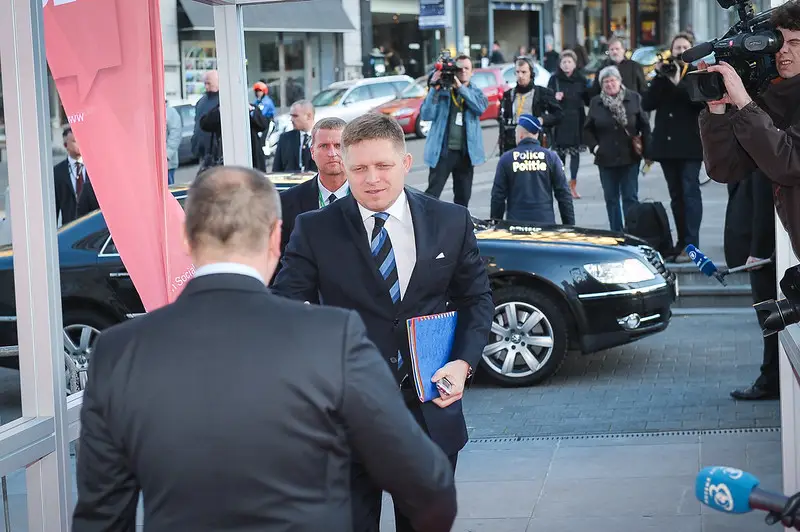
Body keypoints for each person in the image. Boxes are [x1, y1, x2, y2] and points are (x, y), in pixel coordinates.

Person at [72, 166, 458, 532]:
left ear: (187, 240)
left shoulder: (117, 352)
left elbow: (102, 515)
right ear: (276, 237)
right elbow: (428, 485)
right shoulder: (331, 337)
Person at [272, 113, 493, 532]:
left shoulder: (451, 221)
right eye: (359, 168)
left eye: (382, 166)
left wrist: (463, 364)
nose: (371, 178)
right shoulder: (314, 228)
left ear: (406, 163)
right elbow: (286, 303)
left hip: (430, 409)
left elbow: (476, 299)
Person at [699, 0, 800, 258]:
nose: (782, 51)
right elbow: (726, 168)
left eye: (794, 43)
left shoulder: (763, 103)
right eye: (778, 42)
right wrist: (717, 110)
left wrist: (745, 104)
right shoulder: (774, 97)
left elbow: (789, 164)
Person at [641, 33, 705, 262]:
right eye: (677, 47)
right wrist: (660, 77)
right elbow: (647, 103)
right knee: (676, 196)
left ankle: (692, 244)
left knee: (690, 192)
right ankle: (681, 242)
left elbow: (700, 102)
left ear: (692, 50)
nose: (680, 51)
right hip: (667, 147)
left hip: (690, 145)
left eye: (685, 47)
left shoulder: (698, 72)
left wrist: (678, 83)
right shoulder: (663, 73)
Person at [724, 170, 779, 401]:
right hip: (758, 254)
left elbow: (765, 204)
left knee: (771, 318)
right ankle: (772, 377)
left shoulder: (756, 144)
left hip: (763, 258)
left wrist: (759, 251)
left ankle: (771, 380)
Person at [584, 65, 650, 232]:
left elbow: (644, 125)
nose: (609, 84)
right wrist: (595, 148)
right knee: (611, 199)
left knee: (630, 197)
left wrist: (647, 150)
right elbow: (587, 129)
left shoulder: (633, 98)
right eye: (605, 82)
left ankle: (631, 232)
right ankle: (616, 233)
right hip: (605, 158)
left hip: (629, 157)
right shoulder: (596, 102)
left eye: (612, 80)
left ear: (620, 81)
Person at [420, 54, 488, 207]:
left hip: (466, 154)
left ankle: (459, 229)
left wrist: (461, 88)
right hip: (443, 153)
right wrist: (433, 88)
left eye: (467, 68)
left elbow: (480, 108)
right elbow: (426, 114)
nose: (463, 71)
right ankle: (426, 226)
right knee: (432, 195)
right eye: (459, 68)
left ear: (472, 72)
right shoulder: (442, 90)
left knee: (463, 198)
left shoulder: (475, 92)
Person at [277, 117, 347, 263]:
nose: (332, 153)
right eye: (324, 146)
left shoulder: (369, 198)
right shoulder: (287, 202)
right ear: (312, 152)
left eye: (338, 145)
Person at [490, 114, 575, 225]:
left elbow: (498, 196)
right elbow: (564, 194)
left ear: (520, 135)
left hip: (516, 224)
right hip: (545, 223)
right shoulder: (551, 157)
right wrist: (569, 225)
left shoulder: (507, 159)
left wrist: (496, 224)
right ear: (536, 135)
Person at [547, 50, 590, 199]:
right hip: (560, 121)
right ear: (560, 64)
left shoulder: (581, 79)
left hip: (577, 120)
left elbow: (588, 98)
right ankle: (561, 185)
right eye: (564, 62)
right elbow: (547, 99)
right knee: (560, 155)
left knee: (575, 154)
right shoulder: (554, 79)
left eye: (569, 62)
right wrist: (554, 97)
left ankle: (573, 185)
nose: (566, 65)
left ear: (575, 63)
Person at [498, 55, 562, 153]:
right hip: (513, 142)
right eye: (517, 72)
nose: (520, 76)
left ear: (531, 74)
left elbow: (559, 114)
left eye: (524, 72)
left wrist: (542, 119)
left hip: (535, 141)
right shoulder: (509, 95)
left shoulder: (543, 93)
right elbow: (503, 120)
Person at [198, 101, 270, 171]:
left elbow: (263, 125)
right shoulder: (221, 109)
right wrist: (219, 111)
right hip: (228, 156)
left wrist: (251, 111)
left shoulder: (251, 108)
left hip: (252, 155)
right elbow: (204, 124)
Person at [54, 127, 99, 226]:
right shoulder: (58, 172)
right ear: (66, 145)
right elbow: (54, 207)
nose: (80, 144)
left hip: (93, 226)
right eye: (75, 141)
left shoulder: (95, 167)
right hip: (70, 228)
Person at [273, 100, 317, 173]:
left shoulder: (323, 138)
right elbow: (276, 170)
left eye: (295, 116)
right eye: (291, 116)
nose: (291, 119)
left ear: (309, 116)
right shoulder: (285, 139)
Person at [190, 70, 219, 163]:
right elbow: (197, 124)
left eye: (209, 83)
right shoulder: (201, 102)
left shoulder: (223, 100)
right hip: (202, 151)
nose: (206, 86)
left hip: (216, 152)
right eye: (205, 83)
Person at [166, 101, 182, 185]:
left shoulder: (170, 112)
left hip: (167, 162)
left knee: (169, 189)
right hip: (155, 162)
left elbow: (175, 134)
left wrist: (167, 154)